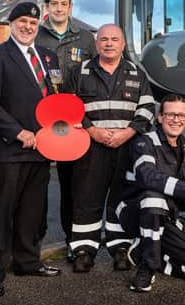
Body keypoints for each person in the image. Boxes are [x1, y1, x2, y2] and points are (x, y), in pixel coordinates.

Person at [0, 2, 61, 298]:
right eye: (22, 21)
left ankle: (27, 261)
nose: (28, 26)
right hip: (10, 149)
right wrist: (18, 132)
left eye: (33, 22)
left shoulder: (48, 56)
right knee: (2, 213)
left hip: (42, 147)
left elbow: (57, 97)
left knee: (32, 211)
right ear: (12, 23)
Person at [64, 23, 155, 273]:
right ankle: (83, 249)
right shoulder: (79, 71)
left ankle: (120, 247)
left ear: (123, 44)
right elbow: (68, 106)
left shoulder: (137, 72)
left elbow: (147, 107)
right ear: (96, 44)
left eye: (114, 39)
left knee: (122, 197)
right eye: (103, 39)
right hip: (89, 145)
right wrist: (92, 130)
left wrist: (128, 132)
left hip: (126, 146)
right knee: (86, 196)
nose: (109, 43)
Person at [117, 94, 185, 292]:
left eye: (181, 115)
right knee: (154, 198)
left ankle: (144, 252)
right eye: (170, 114)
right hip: (135, 212)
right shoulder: (144, 142)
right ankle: (147, 268)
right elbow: (148, 178)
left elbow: (183, 189)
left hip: (164, 216)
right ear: (159, 117)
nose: (176, 120)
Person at [36, 0, 96, 262]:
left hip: (76, 121)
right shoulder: (35, 36)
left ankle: (75, 241)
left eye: (64, 4)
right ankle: (31, 243)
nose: (59, 8)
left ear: (70, 7)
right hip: (42, 118)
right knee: (36, 184)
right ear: (46, 7)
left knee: (74, 184)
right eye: (54, 4)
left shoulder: (85, 39)